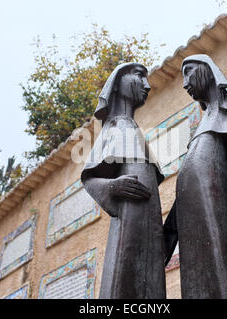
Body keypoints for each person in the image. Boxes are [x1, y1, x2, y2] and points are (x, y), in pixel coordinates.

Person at [164, 54, 227, 299]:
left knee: (221, 266)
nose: (185, 83)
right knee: (197, 273)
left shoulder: (225, 116)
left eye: (189, 72)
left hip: (214, 207)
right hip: (192, 213)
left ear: (208, 71)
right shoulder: (205, 122)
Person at [81, 62, 166, 299]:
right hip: (129, 228)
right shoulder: (116, 126)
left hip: (149, 229)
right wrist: (113, 186)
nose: (147, 86)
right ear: (118, 84)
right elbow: (89, 179)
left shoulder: (133, 129)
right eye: (139, 76)